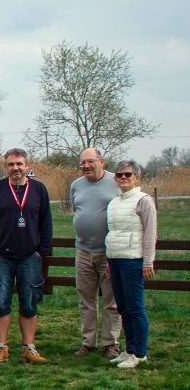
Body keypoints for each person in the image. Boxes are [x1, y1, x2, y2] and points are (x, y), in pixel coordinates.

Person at [0, 148, 52, 364]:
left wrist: (42, 251)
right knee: (0, 301)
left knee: (29, 302)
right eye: (11, 164)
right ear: (6, 167)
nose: (15, 168)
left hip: (30, 255)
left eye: (19, 164)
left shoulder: (39, 189)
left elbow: (46, 222)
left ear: (27, 165)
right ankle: (1, 347)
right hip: (1, 255)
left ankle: (29, 347)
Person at [104, 160, 157, 369]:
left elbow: (150, 233)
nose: (123, 178)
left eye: (128, 174)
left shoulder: (143, 201)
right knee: (123, 308)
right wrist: (109, 260)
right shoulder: (114, 202)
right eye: (119, 175)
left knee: (135, 308)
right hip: (115, 260)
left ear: (137, 178)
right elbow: (113, 233)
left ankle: (140, 353)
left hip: (133, 260)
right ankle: (129, 349)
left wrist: (147, 262)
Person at [70, 148, 122, 359]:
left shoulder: (115, 182)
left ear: (101, 161)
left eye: (90, 162)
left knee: (112, 301)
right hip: (83, 251)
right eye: (82, 163)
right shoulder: (76, 185)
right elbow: (78, 211)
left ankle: (110, 343)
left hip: (110, 253)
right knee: (86, 300)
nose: (86, 166)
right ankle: (88, 342)